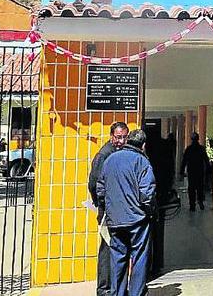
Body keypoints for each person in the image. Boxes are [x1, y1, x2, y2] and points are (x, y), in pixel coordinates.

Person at [96, 129, 156, 296]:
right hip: (137, 220)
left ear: (128, 140)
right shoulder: (142, 162)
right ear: (143, 145)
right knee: (139, 259)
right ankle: (136, 293)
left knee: (118, 259)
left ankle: (118, 293)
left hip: (115, 220)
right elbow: (147, 194)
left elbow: (100, 189)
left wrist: (108, 208)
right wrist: (149, 212)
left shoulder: (110, 159)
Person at [87, 122, 129, 296]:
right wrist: (101, 204)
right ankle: (104, 288)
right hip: (107, 210)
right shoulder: (104, 155)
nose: (121, 141)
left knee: (116, 248)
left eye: (124, 137)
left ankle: (115, 287)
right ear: (111, 136)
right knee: (107, 248)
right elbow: (93, 183)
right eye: (118, 137)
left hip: (117, 208)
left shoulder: (118, 152)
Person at [180, 133, 209, 211]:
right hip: (199, 171)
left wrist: (181, 171)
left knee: (191, 188)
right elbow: (206, 160)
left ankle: (192, 205)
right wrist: (208, 170)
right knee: (200, 187)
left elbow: (184, 161)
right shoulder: (201, 149)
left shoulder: (189, 149)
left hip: (192, 171)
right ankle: (200, 201)